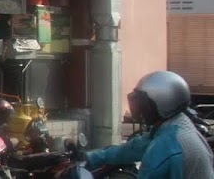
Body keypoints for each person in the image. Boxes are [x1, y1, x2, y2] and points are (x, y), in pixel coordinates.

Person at [86, 70, 214, 179]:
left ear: (162, 102)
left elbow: (148, 172)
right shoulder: (177, 125)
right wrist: (90, 157)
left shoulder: (164, 147)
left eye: (144, 104)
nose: (140, 110)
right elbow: (134, 148)